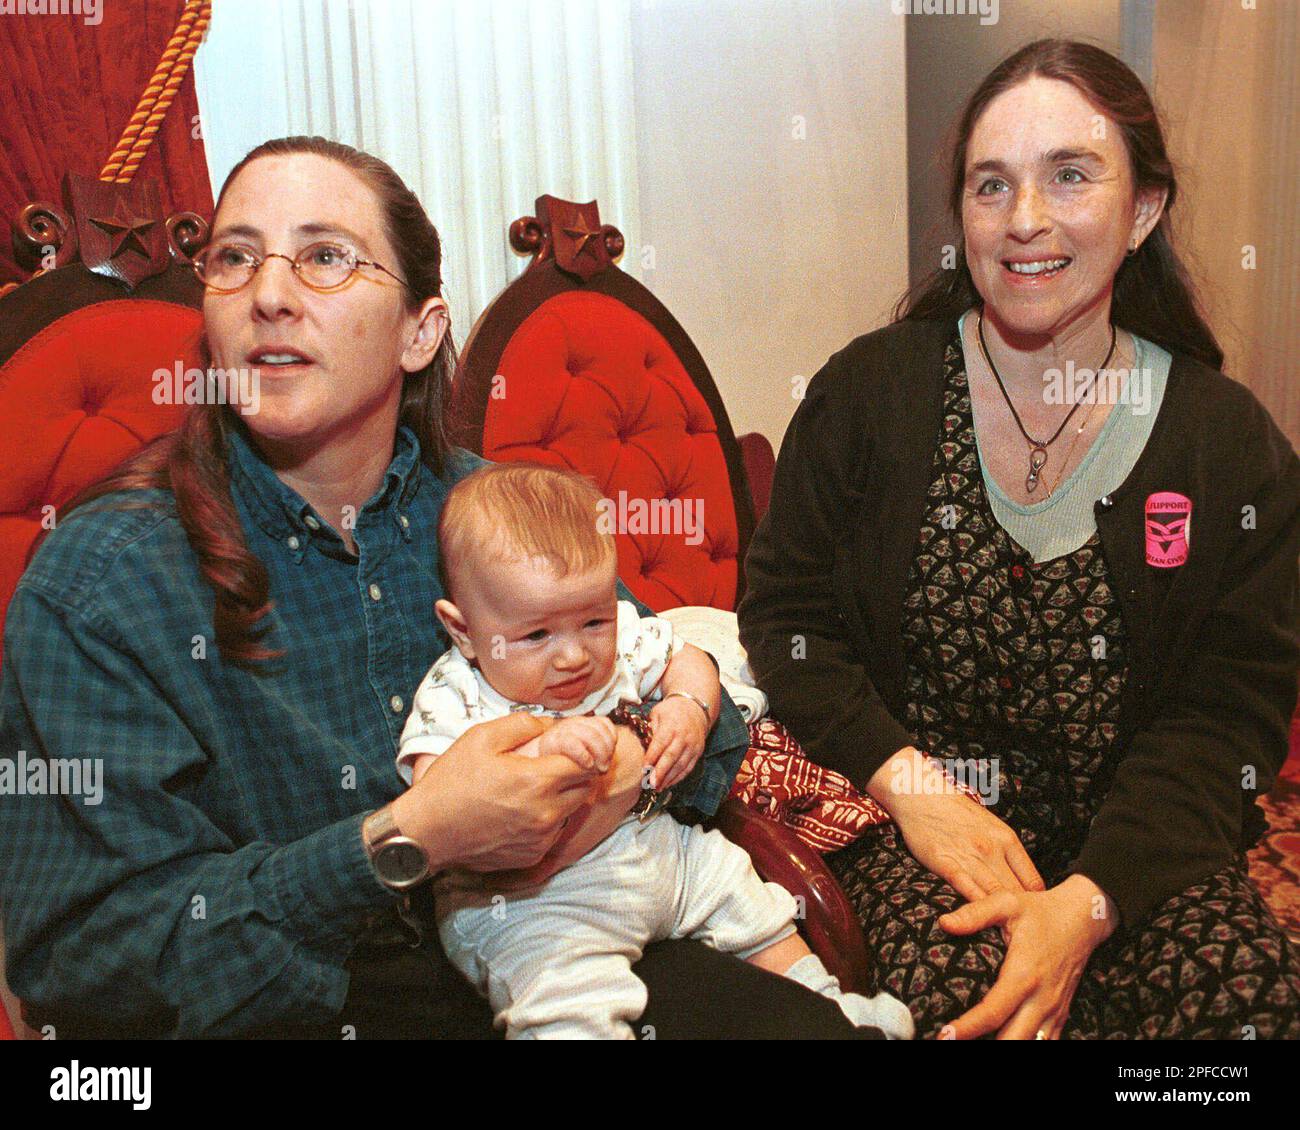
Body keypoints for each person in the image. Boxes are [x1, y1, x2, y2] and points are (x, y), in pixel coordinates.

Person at [0, 136, 867, 1039]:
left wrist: (635, 749)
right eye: (234, 257)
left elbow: (684, 695)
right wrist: (403, 842)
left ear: (421, 331)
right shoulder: (101, 580)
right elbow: (81, 961)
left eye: (326, 256)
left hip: (579, 933)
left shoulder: (489, 511)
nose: (268, 293)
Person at [738, 39, 1300, 1039]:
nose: (1024, 220)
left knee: (1247, 1010)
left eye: (1070, 176)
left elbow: (1229, 713)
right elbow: (786, 618)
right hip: (920, 844)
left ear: (1142, 210)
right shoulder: (870, 395)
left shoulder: (1224, 442)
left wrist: (1086, 901)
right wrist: (910, 786)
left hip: (1142, 851)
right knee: (987, 1021)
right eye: (990, 186)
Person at [396, 462, 912, 1038]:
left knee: (744, 893)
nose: (573, 656)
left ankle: (836, 1008)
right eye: (537, 635)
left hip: (655, 852)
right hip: (532, 905)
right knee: (568, 998)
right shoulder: (455, 693)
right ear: (464, 631)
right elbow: (436, 800)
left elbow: (685, 656)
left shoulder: (618, 636)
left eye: (593, 620)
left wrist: (689, 704)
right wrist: (543, 753)